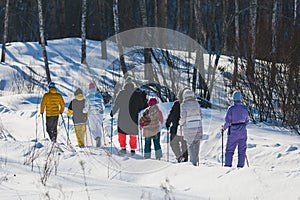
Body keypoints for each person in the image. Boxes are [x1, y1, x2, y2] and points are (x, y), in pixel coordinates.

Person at [110, 82, 147, 155]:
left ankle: (123, 148)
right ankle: (133, 149)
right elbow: (141, 105)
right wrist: (138, 110)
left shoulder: (121, 93)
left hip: (123, 116)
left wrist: (112, 112)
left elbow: (117, 104)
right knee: (132, 132)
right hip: (133, 116)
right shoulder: (136, 94)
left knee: (122, 132)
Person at [222, 90, 249, 168]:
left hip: (233, 131)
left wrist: (224, 128)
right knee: (242, 150)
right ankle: (240, 166)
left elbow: (227, 121)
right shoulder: (244, 108)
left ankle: (227, 166)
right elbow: (247, 120)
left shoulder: (231, 109)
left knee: (229, 150)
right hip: (243, 131)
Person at [179, 89, 203, 166]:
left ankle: (193, 164)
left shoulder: (183, 105)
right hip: (198, 127)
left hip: (189, 128)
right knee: (196, 145)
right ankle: (196, 160)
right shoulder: (197, 103)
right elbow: (201, 115)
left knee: (190, 145)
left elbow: (183, 117)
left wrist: (180, 123)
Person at [166, 88, 189, 163]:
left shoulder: (176, 104)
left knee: (173, 143)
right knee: (184, 143)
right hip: (185, 128)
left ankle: (179, 156)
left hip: (175, 128)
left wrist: (168, 122)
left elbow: (171, 114)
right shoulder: (188, 105)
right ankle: (185, 158)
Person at [84, 83, 105, 147]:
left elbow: (87, 107)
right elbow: (103, 105)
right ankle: (99, 137)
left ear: (89, 88)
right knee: (99, 126)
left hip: (92, 114)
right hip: (99, 113)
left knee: (93, 126)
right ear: (95, 88)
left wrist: (84, 111)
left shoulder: (88, 97)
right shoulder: (99, 96)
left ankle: (96, 137)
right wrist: (102, 111)